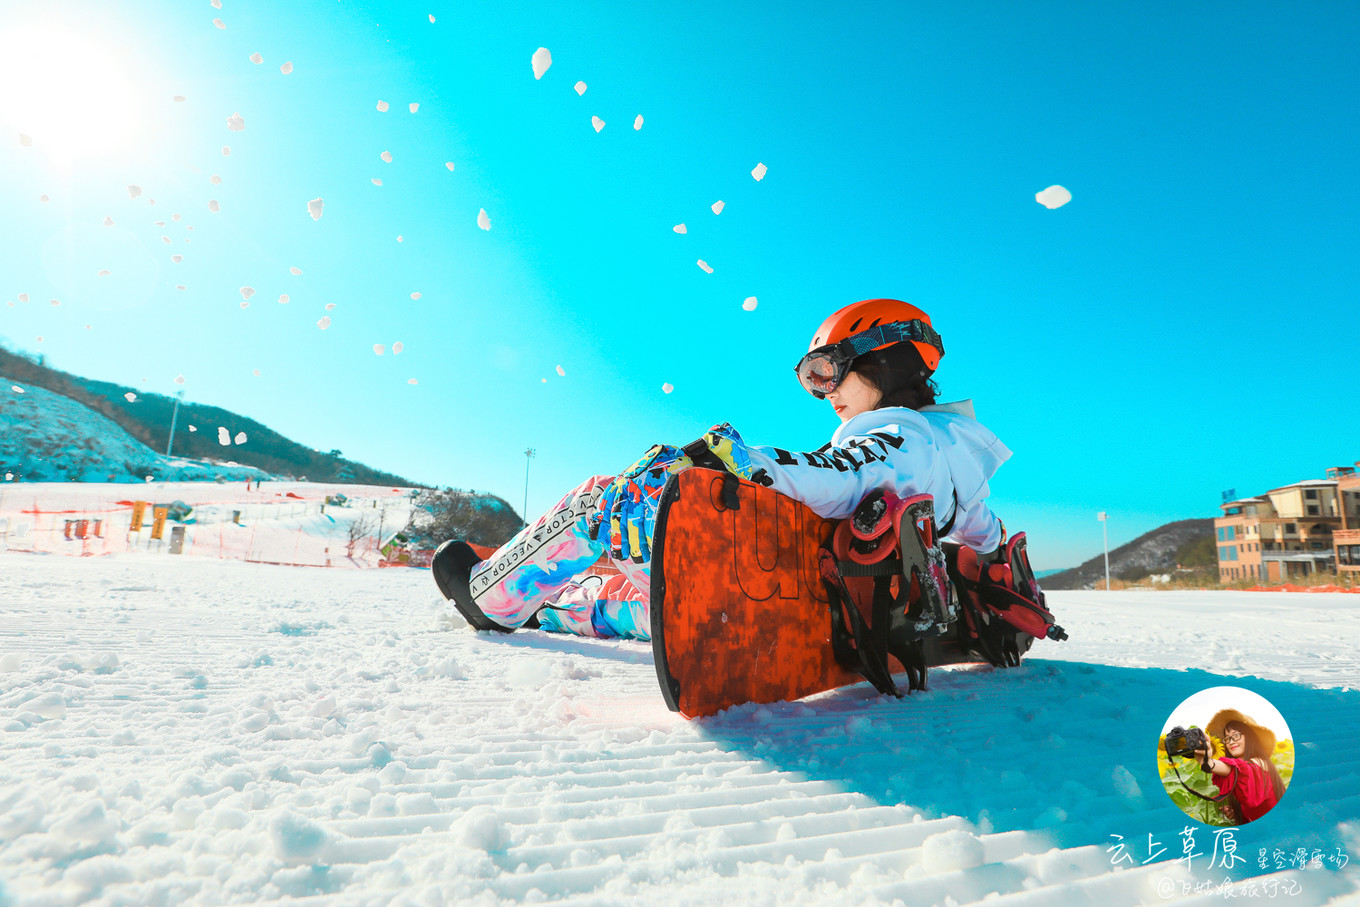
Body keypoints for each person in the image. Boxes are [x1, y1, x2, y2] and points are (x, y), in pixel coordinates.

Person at [433, 298, 1015, 641]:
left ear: (882, 359)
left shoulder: (898, 437)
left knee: (603, 504)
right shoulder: (952, 456)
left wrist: (736, 458)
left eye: (829, 371)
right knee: (624, 601)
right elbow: (984, 539)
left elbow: (837, 474)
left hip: (768, 600)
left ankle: (493, 599)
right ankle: (547, 603)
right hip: (793, 618)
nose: (826, 393)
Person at [1193, 709, 1286, 824]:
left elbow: (1236, 769)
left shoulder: (1259, 763)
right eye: (1227, 738)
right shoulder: (1244, 779)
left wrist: (1209, 763)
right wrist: (1237, 810)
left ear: (1250, 737)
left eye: (1236, 735)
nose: (1231, 742)